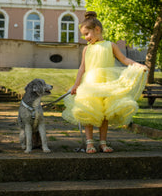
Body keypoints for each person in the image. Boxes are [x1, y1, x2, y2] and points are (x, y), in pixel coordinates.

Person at [62, 11, 148, 154]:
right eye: (84, 35)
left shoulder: (110, 45)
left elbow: (124, 60)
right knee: (88, 111)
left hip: (108, 83)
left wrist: (139, 66)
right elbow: (82, 68)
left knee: (105, 113)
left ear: (97, 30)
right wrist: (76, 84)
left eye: (87, 34)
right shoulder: (86, 49)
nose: (85, 38)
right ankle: (89, 143)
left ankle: (102, 142)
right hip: (90, 83)